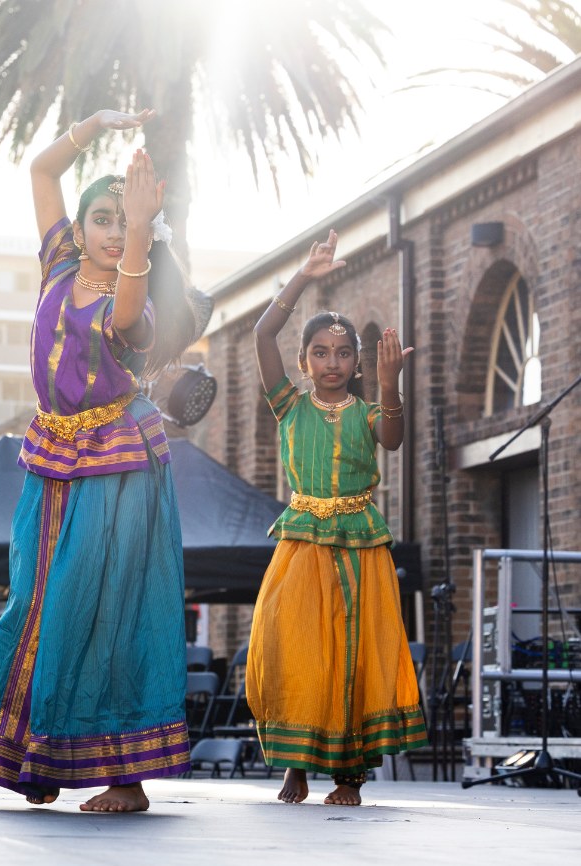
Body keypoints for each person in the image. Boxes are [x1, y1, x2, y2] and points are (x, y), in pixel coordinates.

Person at [0, 109, 209, 813]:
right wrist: (92, 125)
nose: (102, 228)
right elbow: (41, 171)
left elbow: (128, 307)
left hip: (119, 462)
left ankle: (124, 779)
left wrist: (138, 225)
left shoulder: (136, 301)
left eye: (115, 220)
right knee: (37, 603)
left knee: (104, 608)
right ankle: (36, 756)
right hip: (54, 452)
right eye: (96, 217)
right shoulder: (59, 262)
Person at [246, 230, 427, 806]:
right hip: (301, 540)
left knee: (354, 649)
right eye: (320, 352)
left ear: (357, 361)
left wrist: (391, 383)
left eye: (343, 353)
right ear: (303, 361)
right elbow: (262, 332)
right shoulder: (288, 405)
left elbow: (394, 441)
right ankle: (295, 765)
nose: (332, 362)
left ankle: (349, 774)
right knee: (292, 648)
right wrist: (304, 275)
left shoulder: (369, 411)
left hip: (359, 542)